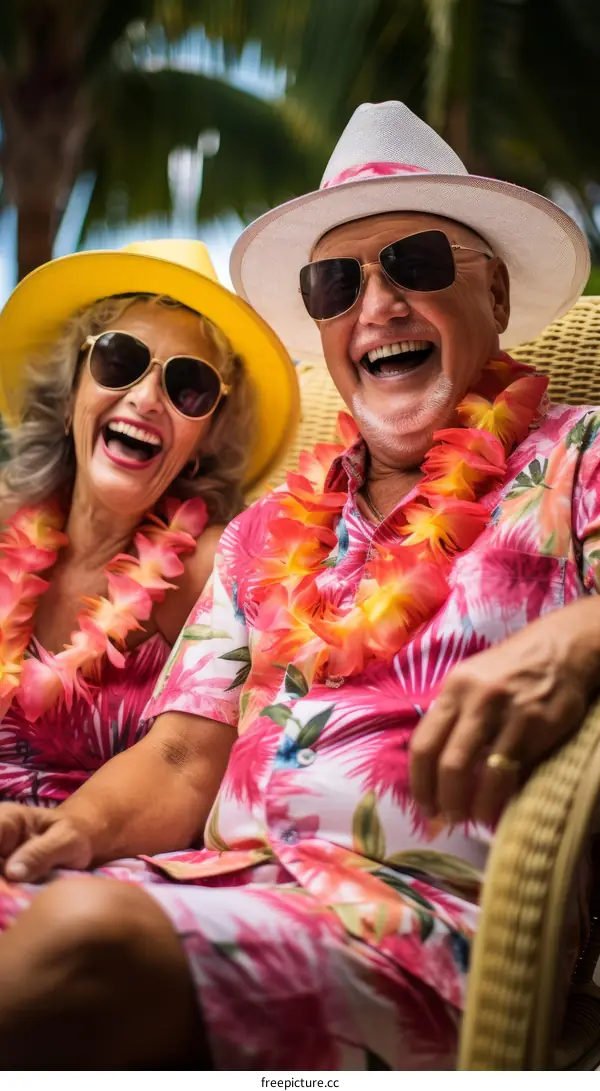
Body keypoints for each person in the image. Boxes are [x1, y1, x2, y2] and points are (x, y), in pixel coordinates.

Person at [0, 102, 596, 1070]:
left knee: (85, 944)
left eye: (418, 263)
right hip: (206, 880)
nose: (377, 304)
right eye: (336, 282)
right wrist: (67, 832)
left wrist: (579, 638)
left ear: (496, 296)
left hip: (422, 933)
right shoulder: (267, 529)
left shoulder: (580, 457)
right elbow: (186, 761)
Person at [0, 237, 298, 806]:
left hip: (88, 865)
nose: (146, 397)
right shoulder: (3, 525)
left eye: (190, 385)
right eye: (120, 360)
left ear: (204, 438)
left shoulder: (212, 571)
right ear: (70, 395)